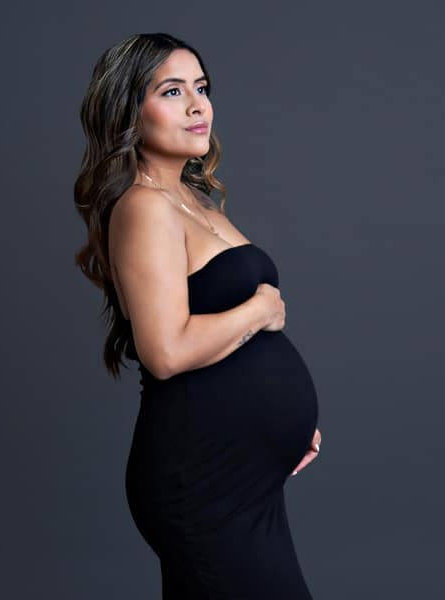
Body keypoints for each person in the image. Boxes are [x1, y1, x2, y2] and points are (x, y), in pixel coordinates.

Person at [74, 32, 323, 599]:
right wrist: (261, 309)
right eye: (171, 90)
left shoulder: (194, 199)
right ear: (128, 113)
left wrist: (281, 428)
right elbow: (166, 352)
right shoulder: (141, 208)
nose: (196, 105)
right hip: (203, 479)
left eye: (202, 88)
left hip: (245, 474)